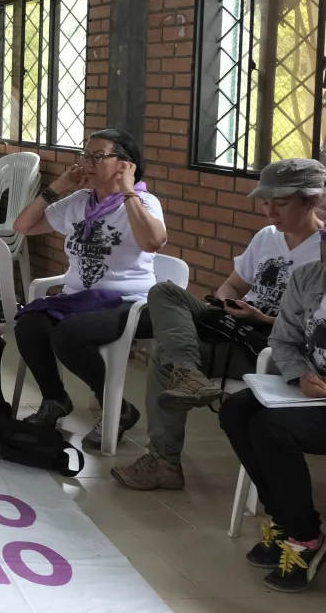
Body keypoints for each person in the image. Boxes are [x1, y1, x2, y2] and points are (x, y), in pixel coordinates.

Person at [113, 159, 325, 491]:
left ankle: (164, 457)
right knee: (166, 292)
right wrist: (225, 303)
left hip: (272, 345)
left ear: (311, 200)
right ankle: (188, 374)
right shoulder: (267, 237)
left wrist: (261, 318)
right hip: (236, 325)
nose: (270, 212)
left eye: (280, 204)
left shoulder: (321, 251)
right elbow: (233, 285)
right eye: (265, 203)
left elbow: (310, 329)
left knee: (162, 357)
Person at [11, 128, 168, 450]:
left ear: (126, 164)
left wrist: (128, 192)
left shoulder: (143, 201)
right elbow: (22, 226)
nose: (89, 162)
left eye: (99, 156)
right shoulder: (79, 201)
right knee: (29, 324)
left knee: (68, 334)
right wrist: (57, 187)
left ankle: (116, 407)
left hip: (131, 302)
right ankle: (55, 400)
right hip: (80, 299)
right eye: (86, 155)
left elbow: (153, 241)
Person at [218, 246, 326, 593]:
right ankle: (285, 519)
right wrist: (300, 374)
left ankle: (306, 535)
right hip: (312, 390)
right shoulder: (309, 275)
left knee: (271, 429)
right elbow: (282, 338)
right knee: (236, 410)